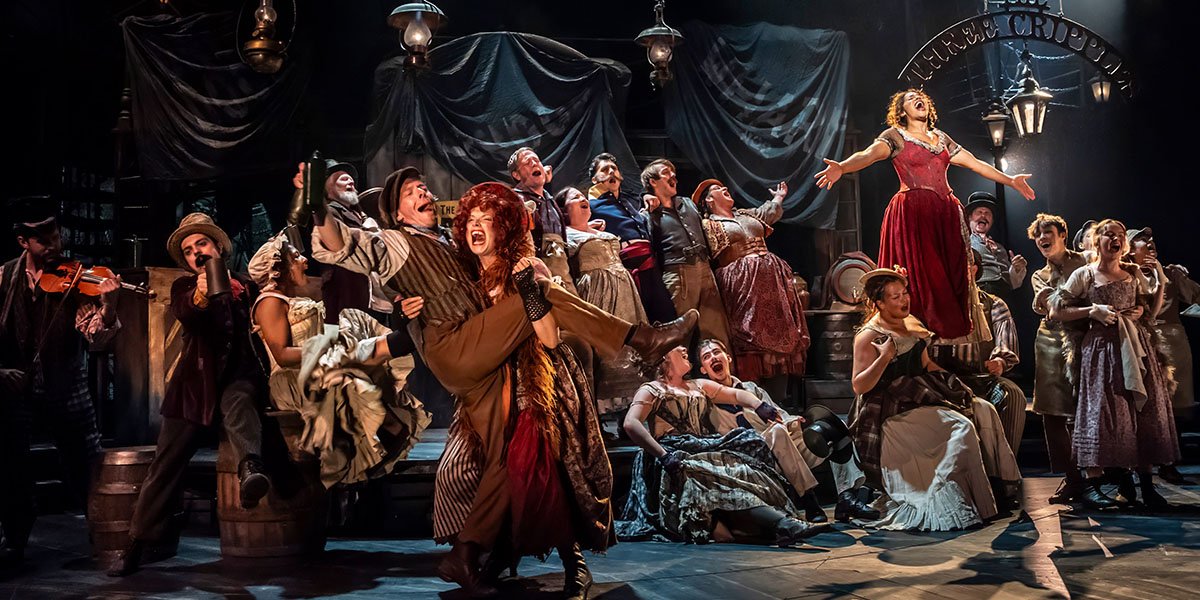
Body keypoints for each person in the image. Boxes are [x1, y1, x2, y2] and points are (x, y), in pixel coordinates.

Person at [310, 174, 696, 595]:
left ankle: (469, 554)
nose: (422, 193)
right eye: (409, 193)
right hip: (464, 353)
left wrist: (524, 285)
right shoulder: (398, 242)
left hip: (516, 371)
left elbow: (545, 336)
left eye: (423, 188)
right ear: (396, 211)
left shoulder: (466, 253)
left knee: (507, 460)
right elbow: (349, 246)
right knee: (521, 447)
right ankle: (641, 338)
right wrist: (317, 210)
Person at [453, 185, 612, 600]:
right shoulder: (463, 276)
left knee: (545, 464)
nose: (477, 227)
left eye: (487, 220)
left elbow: (549, 336)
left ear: (504, 228)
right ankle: (504, 550)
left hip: (535, 380)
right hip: (488, 389)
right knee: (496, 470)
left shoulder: (530, 266)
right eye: (471, 220)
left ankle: (572, 560)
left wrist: (526, 288)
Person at [112, 213, 270, 576]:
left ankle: (251, 473)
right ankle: (137, 544)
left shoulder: (245, 285)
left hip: (236, 377)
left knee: (240, 403)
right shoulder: (185, 286)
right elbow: (187, 313)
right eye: (188, 250)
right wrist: (201, 293)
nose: (196, 252)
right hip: (193, 386)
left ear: (218, 247)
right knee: (165, 465)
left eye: (202, 244)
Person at [816, 89, 1036, 341]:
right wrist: (842, 168)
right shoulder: (896, 136)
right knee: (923, 274)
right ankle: (917, 336)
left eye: (920, 97)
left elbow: (975, 162)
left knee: (951, 276)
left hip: (944, 214)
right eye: (909, 99)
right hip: (914, 213)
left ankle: (946, 342)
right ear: (901, 111)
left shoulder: (941, 139)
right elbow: (868, 155)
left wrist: (1010, 180)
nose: (917, 99)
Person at [247, 233, 430, 488]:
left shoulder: (293, 298)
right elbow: (282, 355)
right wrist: (329, 350)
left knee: (353, 324)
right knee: (343, 365)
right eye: (296, 257)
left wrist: (339, 334)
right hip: (292, 378)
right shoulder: (269, 303)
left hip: (316, 366)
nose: (304, 261)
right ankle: (387, 426)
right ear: (280, 268)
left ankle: (403, 338)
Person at [849, 268, 1020, 530]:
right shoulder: (869, 336)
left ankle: (997, 492)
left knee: (984, 410)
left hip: (921, 392)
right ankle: (951, 498)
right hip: (890, 404)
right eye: (895, 297)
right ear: (879, 303)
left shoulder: (912, 322)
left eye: (904, 293)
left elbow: (926, 363)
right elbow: (860, 386)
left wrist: (956, 384)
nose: (904, 300)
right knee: (962, 427)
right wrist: (884, 357)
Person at [0, 205, 122, 568]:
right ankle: (14, 542)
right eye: (44, 240)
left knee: (88, 464)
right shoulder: (4, 278)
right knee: (11, 466)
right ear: (24, 242)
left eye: (56, 236)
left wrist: (109, 307)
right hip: (16, 390)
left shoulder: (77, 277)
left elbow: (95, 337)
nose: (54, 245)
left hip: (65, 383)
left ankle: (103, 537)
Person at [619, 345, 830, 546]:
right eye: (677, 347)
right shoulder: (652, 390)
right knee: (700, 474)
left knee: (743, 465)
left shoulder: (697, 385)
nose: (685, 349)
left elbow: (736, 394)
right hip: (670, 454)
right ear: (663, 357)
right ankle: (781, 525)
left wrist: (758, 404)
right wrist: (663, 455)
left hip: (698, 446)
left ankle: (771, 524)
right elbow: (631, 423)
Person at [1050, 219, 1179, 508]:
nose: (1116, 238)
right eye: (1109, 234)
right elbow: (1056, 308)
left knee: (1141, 410)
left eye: (1120, 235)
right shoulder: (1085, 274)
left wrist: (1143, 307)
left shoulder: (1133, 274)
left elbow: (1151, 313)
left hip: (1135, 347)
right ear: (1097, 242)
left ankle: (1146, 485)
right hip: (1101, 349)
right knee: (1103, 412)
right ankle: (1094, 485)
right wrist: (1091, 311)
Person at [696, 338, 880, 522]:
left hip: (783, 448)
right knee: (777, 431)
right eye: (707, 356)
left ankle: (846, 497)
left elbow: (779, 415)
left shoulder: (751, 389)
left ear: (728, 358)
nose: (713, 358)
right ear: (703, 370)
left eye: (716, 352)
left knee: (831, 429)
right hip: (750, 456)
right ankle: (809, 501)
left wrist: (794, 422)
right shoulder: (706, 404)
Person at [695, 178, 810, 383]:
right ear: (709, 200)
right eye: (718, 189)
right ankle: (754, 388)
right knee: (750, 330)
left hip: (771, 279)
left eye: (724, 186)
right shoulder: (707, 224)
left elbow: (768, 213)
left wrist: (778, 198)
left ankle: (780, 391)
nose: (725, 189)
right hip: (741, 281)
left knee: (779, 328)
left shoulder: (746, 213)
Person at [1026, 214, 1106, 506]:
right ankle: (1073, 479)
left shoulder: (1086, 260)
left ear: (1062, 234)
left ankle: (1097, 477)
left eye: (1048, 232)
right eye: (1038, 235)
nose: (1043, 238)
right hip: (1050, 341)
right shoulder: (1039, 276)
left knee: (1088, 407)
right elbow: (1049, 307)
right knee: (1052, 412)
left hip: (1087, 337)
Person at [559, 185, 648, 416]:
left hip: (625, 291)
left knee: (633, 348)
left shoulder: (601, 230)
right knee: (607, 353)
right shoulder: (567, 235)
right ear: (564, 210)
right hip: (598, 293)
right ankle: (599, 418)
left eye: (582, 195)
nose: (582, 198)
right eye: (575, 197)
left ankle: (631, 415)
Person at [931, 249, 1027, 456]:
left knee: (1013, 395)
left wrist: (1000, 362)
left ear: (974, 269)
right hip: (942, 380)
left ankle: (1004, 467)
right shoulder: (936, 304)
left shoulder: (993, 304)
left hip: (981, 379)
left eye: (962, 265)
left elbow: (1005, 346)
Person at [1127, 227, 1199, 485]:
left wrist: (1178, 278)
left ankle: (1170, 464)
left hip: (1173, 340)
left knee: (1176, 404)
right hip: (1140, 339)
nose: (1150, 244)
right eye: (1142, 242)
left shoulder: (1170, 272)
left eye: (1151, 241)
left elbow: (1195, 296)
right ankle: (1141, 464)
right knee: (1144, 403)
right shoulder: (1124, 274)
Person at [290, 159, 392, 324]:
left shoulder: (362, 215)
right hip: (349, 301)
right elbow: (335, 241)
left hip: (375, 301)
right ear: (325, 189)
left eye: (351, 178)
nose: (350, 180)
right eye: (342, 178)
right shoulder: (329, 213)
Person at [643, 159, 731, 348]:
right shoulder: (649, 212)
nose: (673, 175)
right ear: (653, 181)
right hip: (678, 273)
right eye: (666, 172)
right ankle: (678, 375)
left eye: (673, 172)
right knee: (680, 333)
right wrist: (647, 204)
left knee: (716, 329)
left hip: (705, 268)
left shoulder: (687, 203)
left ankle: (721, 375)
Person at [587, 152, 676, 323]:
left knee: (666, 316)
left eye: (614, 168)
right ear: (594, 179)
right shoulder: (590, 206)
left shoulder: (631, 201)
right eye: (605, 170)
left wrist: (645, 195)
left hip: (651, 263)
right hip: (627, 267)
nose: (611, 172)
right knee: (639, 319)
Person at [508, 147, 576, 295]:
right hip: (539, 277)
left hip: (564, 273)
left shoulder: (549, 199)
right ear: (516, 175)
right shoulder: (515, 200)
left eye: (537, 160)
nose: (534, 164)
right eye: (527, 162)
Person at [963, 192, 1027, 298]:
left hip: (1004, 296)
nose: (983, 215)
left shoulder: (1000, 248)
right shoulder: (965, 243)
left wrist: (1017, 269)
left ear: (992, 221)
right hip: (980, 293)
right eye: (979, 212)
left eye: (987, 213)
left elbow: (1013, 283)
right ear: (970, 218)